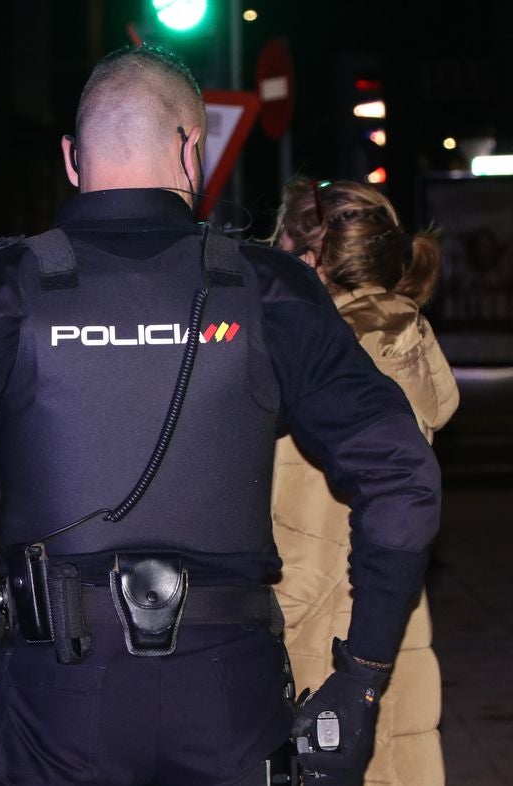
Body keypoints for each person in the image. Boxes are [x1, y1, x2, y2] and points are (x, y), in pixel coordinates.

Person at [0, 45, 442, 786]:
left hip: (57, 705)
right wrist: (363, 680)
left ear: (70, 157)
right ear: (194, 149)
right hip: (228, 697)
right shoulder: (266, 289)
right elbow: (403, 479)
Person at [269, 178, 459, 786]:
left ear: (304, 260)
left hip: (317, 652)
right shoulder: (408, 341)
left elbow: (303, 541)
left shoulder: (323, 361)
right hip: (385, 638)